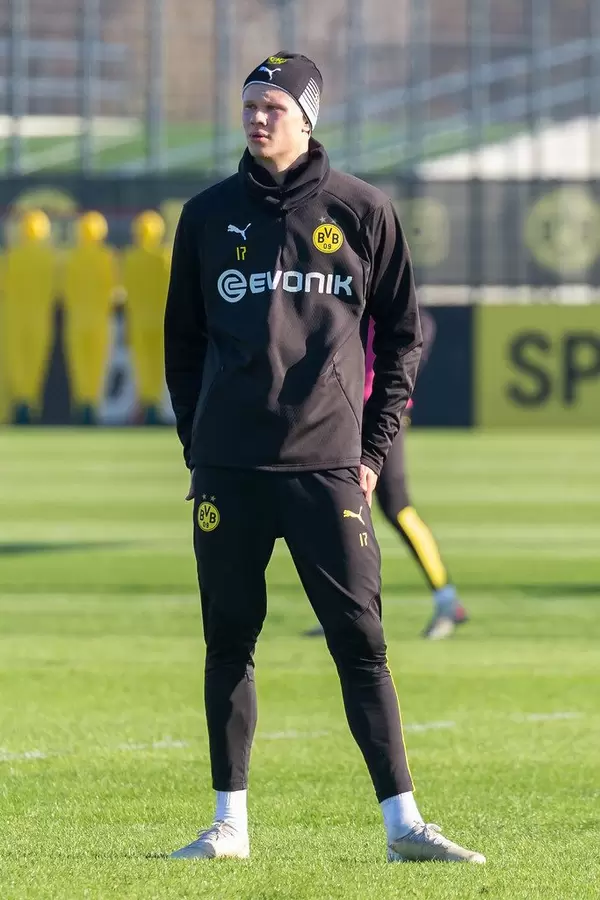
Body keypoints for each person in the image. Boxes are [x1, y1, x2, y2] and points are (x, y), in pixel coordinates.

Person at [164, 51, 485, 865]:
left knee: (361, 642)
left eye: (273, 106)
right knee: (228, 641)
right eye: (249, 104)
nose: (257, 117)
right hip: (230, 471)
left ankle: (404, 826)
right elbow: (182, 343)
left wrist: (372, 453)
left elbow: (405, 338)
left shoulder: (364, 211)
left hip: (328, 470)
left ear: (309, 119)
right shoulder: (206, 216)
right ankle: (228, 824)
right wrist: (198, 444)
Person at [304, 308, 469, 641]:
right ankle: (344, 607)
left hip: (378, 413)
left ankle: (447, 599)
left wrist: (396, 385)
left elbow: (421, 325)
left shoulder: (383, 286)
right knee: (337, 505)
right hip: (347, 410)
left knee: (396, 507)